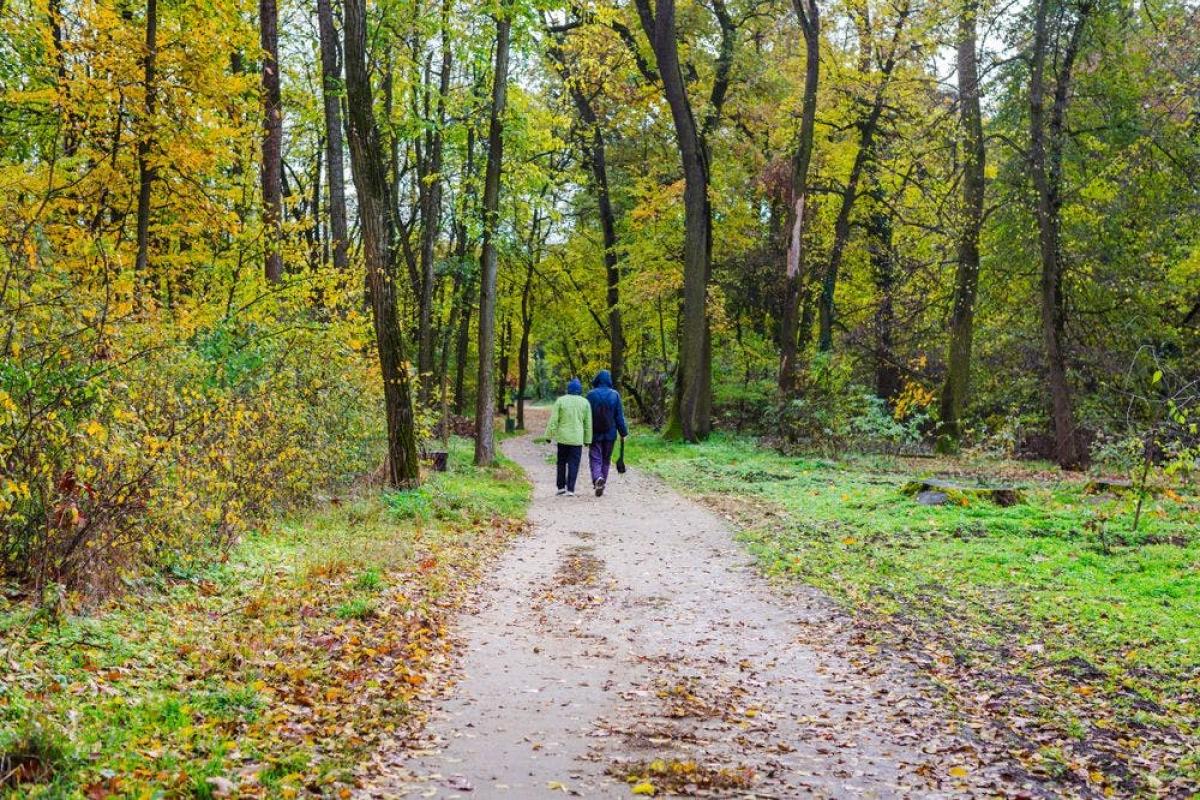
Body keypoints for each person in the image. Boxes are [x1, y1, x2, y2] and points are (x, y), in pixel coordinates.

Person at [544, 377, 592, 496]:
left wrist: (549, 435)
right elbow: (588, 423)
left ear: (568, 389)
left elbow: (553, 420)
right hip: (577, 440)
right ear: (580, 390)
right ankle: (570, 489)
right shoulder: (585, 402)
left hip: (563, 439)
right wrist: (587, 440)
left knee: (561, 462)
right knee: (574, 464)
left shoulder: (561, 401)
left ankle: (561, 487)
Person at [586, 369, 628, 497]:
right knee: (606, 459)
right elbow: (619, 416)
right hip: (610, 433)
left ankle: (598, 478)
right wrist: (623, 433)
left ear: (597, 380)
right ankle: (602, 481)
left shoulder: (590, 395)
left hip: (595, 433)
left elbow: (586, 416)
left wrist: (584, 432)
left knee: (595, 457)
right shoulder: (615, 395)